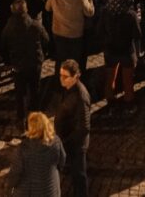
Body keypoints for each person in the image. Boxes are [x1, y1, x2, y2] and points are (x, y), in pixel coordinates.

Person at [1, 0, 48, 131]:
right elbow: (46, 39)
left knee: (20, 93)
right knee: (35, 91)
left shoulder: (9, 27)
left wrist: (8, 61)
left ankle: (21, 119)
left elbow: (3, 45)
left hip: (18, 65)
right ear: (26, 10)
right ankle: (35, 118)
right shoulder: (35, 25)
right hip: (34, 63)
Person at [46, 0, 94, 74]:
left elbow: (47, 7)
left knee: (60, 59)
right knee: (74, 61)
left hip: (58, 32)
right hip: (75, 34)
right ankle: (73, 83)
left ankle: (59, 81)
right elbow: (90, 12)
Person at [54, 59, 90, 197]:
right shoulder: (68, 89)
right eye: (60, 75)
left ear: (75, 76)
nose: (61, 79)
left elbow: (84, 127)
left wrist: (67, 142)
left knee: (79, 175)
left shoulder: (81, 96)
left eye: (65, 76)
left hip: (76, 144)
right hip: (68, 140)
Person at [7, 112, 65, 197]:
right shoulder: (56, 141)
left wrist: (9, 188)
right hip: (51, 190)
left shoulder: (23, 149)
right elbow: (62, 160)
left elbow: (15, 174)